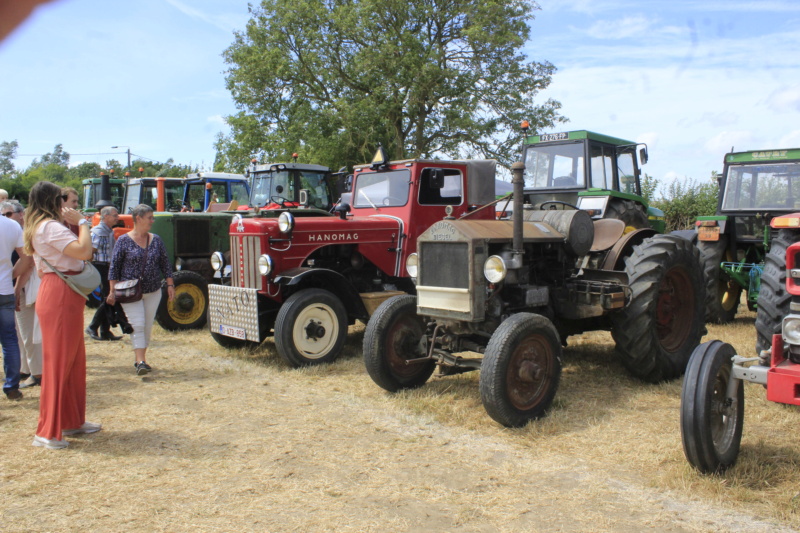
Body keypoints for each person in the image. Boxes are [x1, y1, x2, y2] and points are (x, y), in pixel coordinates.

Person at [24, 180, 101, 449]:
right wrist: (83, 224)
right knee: (59, 363)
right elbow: (84, 251)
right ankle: (47, 431)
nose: (65, 202)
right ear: (52, 201)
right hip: (60, 293)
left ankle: (70, 420)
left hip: (63, 292)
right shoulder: (49, 227)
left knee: (72, 360)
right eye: (61, 198)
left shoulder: (42, 226)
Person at [107, 204, 174, 375]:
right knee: (137, 324)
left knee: (146, 327)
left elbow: (165, 263)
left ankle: (142, 358)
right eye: (149, 217)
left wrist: (170, 284)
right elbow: (114, 267)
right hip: (130, 293)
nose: (152, 221)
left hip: (153, 291)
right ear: (138, 218)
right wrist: (112, 290)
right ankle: (140, 361)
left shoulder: (156, 240)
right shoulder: (123, 240)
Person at [2, 201, 42, 389]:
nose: (7, 216)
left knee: (27, 334)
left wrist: (14, 286)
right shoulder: (14, 231)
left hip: (25, 288)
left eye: (10, 213)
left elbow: (28, 264)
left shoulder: (26, 234)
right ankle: (24, 371)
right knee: (17, 335)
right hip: (13, 288)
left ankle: (35, 373)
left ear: (21, 214)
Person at [0, 201, 30, 400]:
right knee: (10, 340)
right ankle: (12, 386)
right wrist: (10, 275)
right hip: (4, 289)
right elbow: (27, 257)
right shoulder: (11, 225)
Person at [85, 206, 122, 341]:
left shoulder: (108, 231)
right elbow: (91, 251)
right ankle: (93, 326)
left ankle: (105, 331)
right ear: (105, 216)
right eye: (114, 215)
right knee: (108, 297)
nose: (117, 217)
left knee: (107, 298)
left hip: (107, 266)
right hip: (100, 267)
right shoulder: (98, 232)